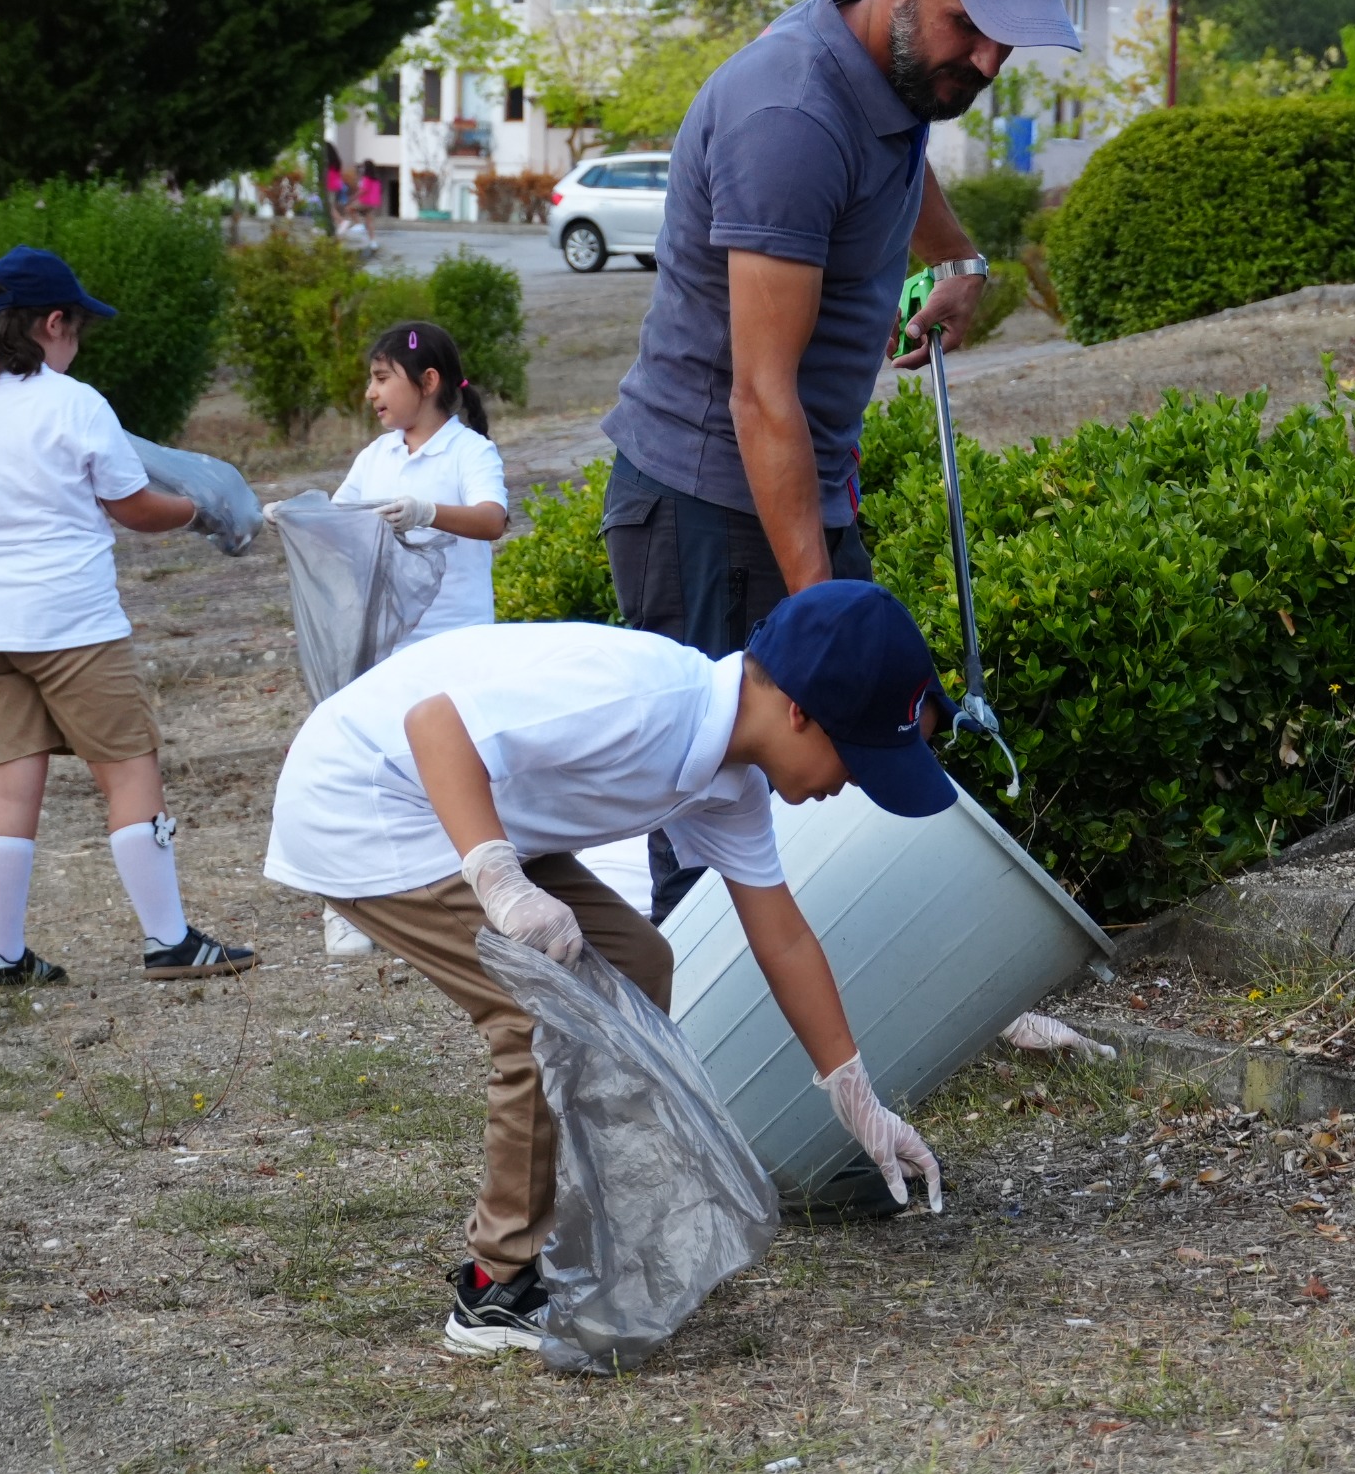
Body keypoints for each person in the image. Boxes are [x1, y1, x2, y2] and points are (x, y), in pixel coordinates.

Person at [262, 578, 950, 1356]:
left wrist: (856, 1096)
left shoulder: (732, 781)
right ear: (798, 711)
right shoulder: (645, 697)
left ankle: (582, 1225)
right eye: (857, 758)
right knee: (539, 1011)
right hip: (368, 801)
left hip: (462, 807)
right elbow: (435, 724)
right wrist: (499, 880)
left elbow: (782, 937)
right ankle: (496, 1288)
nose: (852, 782)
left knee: (635, 961)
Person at [599, 0, 1083, 920]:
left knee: (846, 769)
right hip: (709, 497)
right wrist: (827, 619)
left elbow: (900, 143)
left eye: (1011, 37)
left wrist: (954, 257)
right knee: (718, 803)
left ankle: (845, 1024)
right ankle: (707, 1062)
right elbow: (758, 396)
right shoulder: (789, 115)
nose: (990, 59)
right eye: (971, 25)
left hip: (796, 478)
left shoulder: (897, 68)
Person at [0, 245, 258, 987]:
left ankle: (3, 954)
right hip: (68, 619)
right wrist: (200, 510)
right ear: (53, 323)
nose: (77, 344)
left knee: (9, 779)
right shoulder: (74, 403)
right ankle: (168, 939)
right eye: (76, 329)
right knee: (129, 770)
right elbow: (134, 507)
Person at [310, 319, 509, 958]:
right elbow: (340, 521)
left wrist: (427, 512)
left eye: (380, 377)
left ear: (427, 383)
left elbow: (491, 520)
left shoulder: (468, 452)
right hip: (391, 648)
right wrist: (298, 518)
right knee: (370, 769)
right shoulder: (377, 457)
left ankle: (487, 896)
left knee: (468, 776)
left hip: (460, 648)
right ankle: (349, 904)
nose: (370, 393)